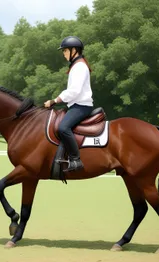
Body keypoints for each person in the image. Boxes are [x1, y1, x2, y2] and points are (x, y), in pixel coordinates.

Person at [44, 36, 94, 172]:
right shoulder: (76, 66)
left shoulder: (80, 67)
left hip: (81, 106)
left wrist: (55, 100)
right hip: (75, 105)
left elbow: (74, 91)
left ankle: (75, 160)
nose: (64, 54)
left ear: (74, 51)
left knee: (63, 128)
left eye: (65, 51)